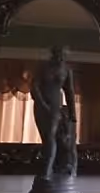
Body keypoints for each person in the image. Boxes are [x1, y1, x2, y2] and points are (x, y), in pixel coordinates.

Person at [31, 45, 77, 182]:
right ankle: (47, 169)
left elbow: (70, 93)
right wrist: (43, 105)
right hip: (43, 107)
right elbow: (34, 88)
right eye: (58, 54)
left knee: (59, 137)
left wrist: (73, 114)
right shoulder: (43, 67)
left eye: (63, 54)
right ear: (53, 54)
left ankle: (53, 168)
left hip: (57, 107)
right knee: (48, 137)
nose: (60, 57)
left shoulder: (67, 70)